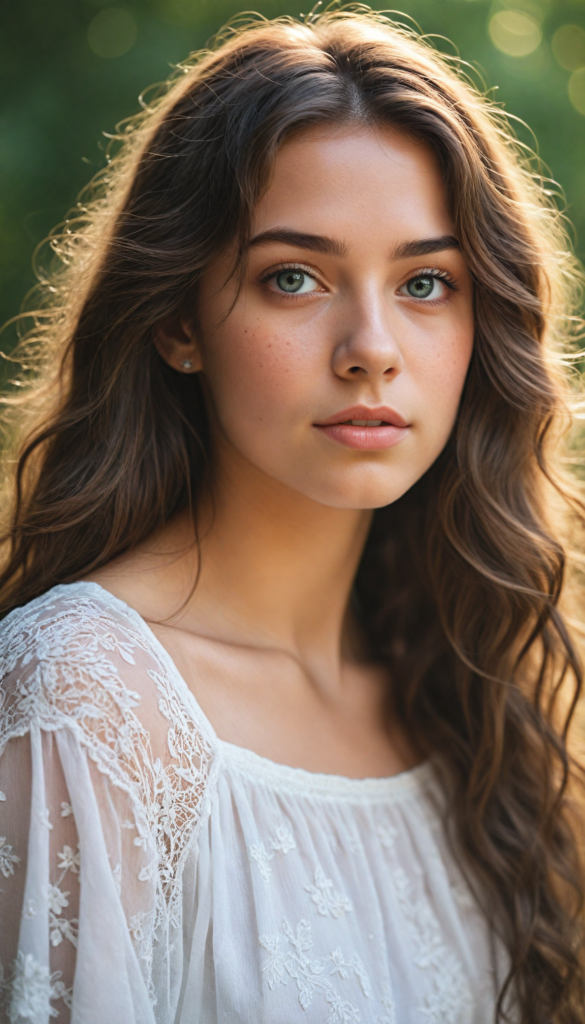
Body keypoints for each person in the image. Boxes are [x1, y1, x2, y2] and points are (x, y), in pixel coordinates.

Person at [0, 8, 584, 1022]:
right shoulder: (86, 700)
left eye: (426, 283)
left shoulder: (475, 700)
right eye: (295, 277)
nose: (371, 346)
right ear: (180, 320)